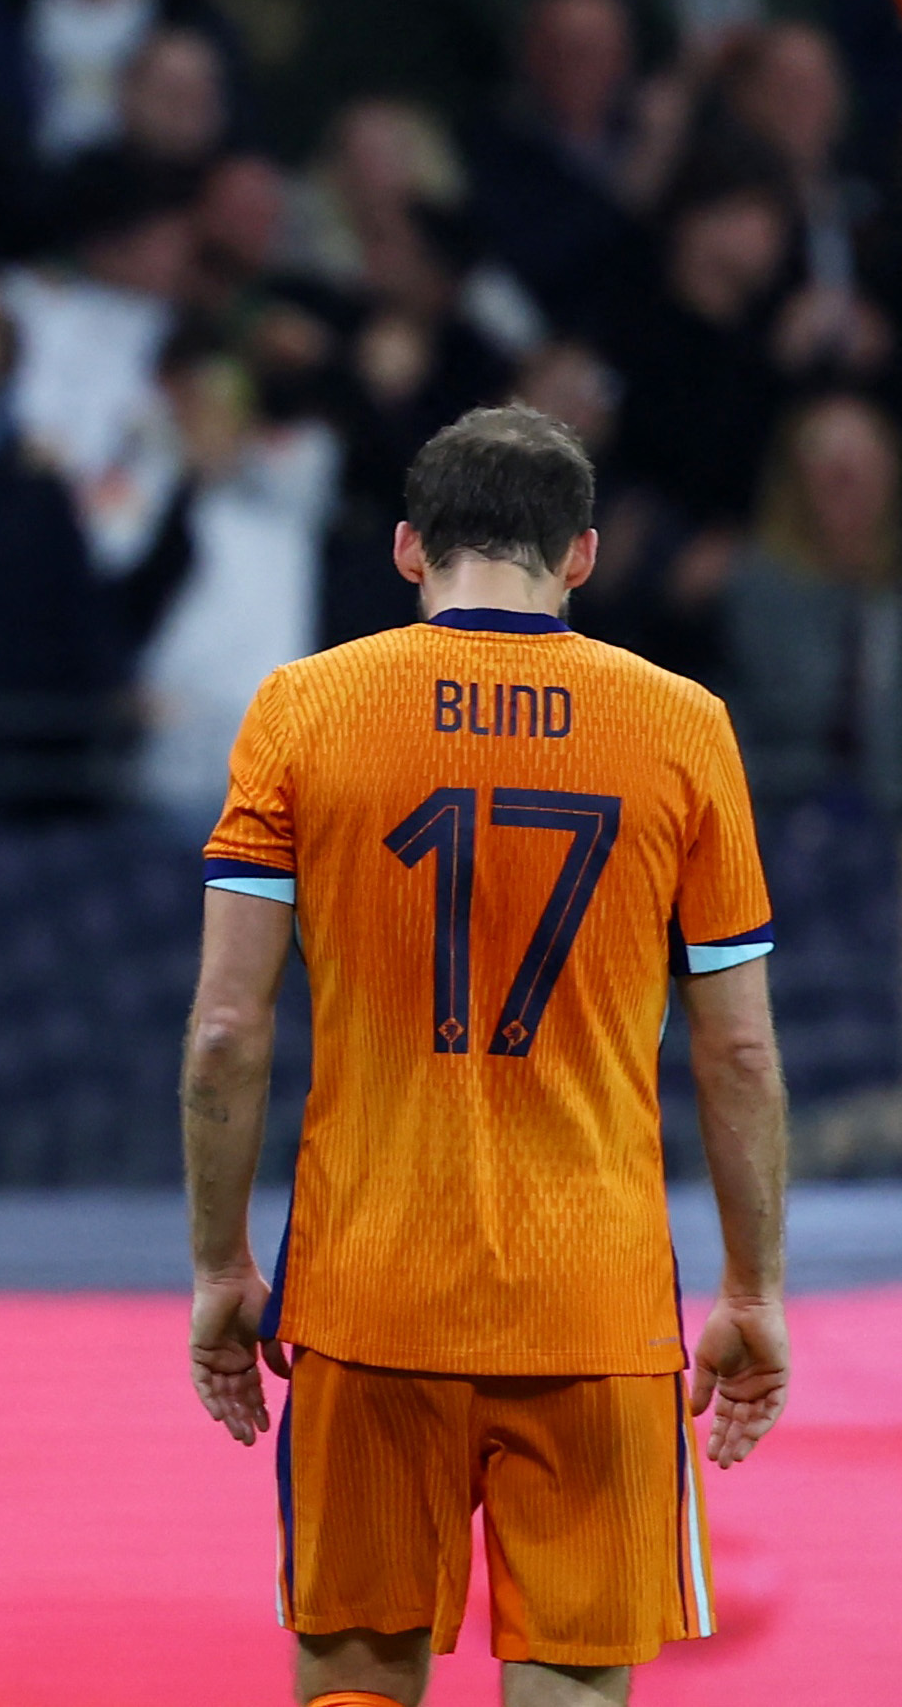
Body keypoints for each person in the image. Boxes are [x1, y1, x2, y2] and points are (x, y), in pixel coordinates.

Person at [181, 404, 790, 1705]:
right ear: (581, 555)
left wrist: (222, 1261)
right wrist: (753, 1285)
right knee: (571, 1675)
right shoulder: (683, 725)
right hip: (595, 1304)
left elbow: (227, 1030)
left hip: (367, 1291)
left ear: (409, 547)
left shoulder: (303, 707)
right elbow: (738, 1054)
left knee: (354, 1671)